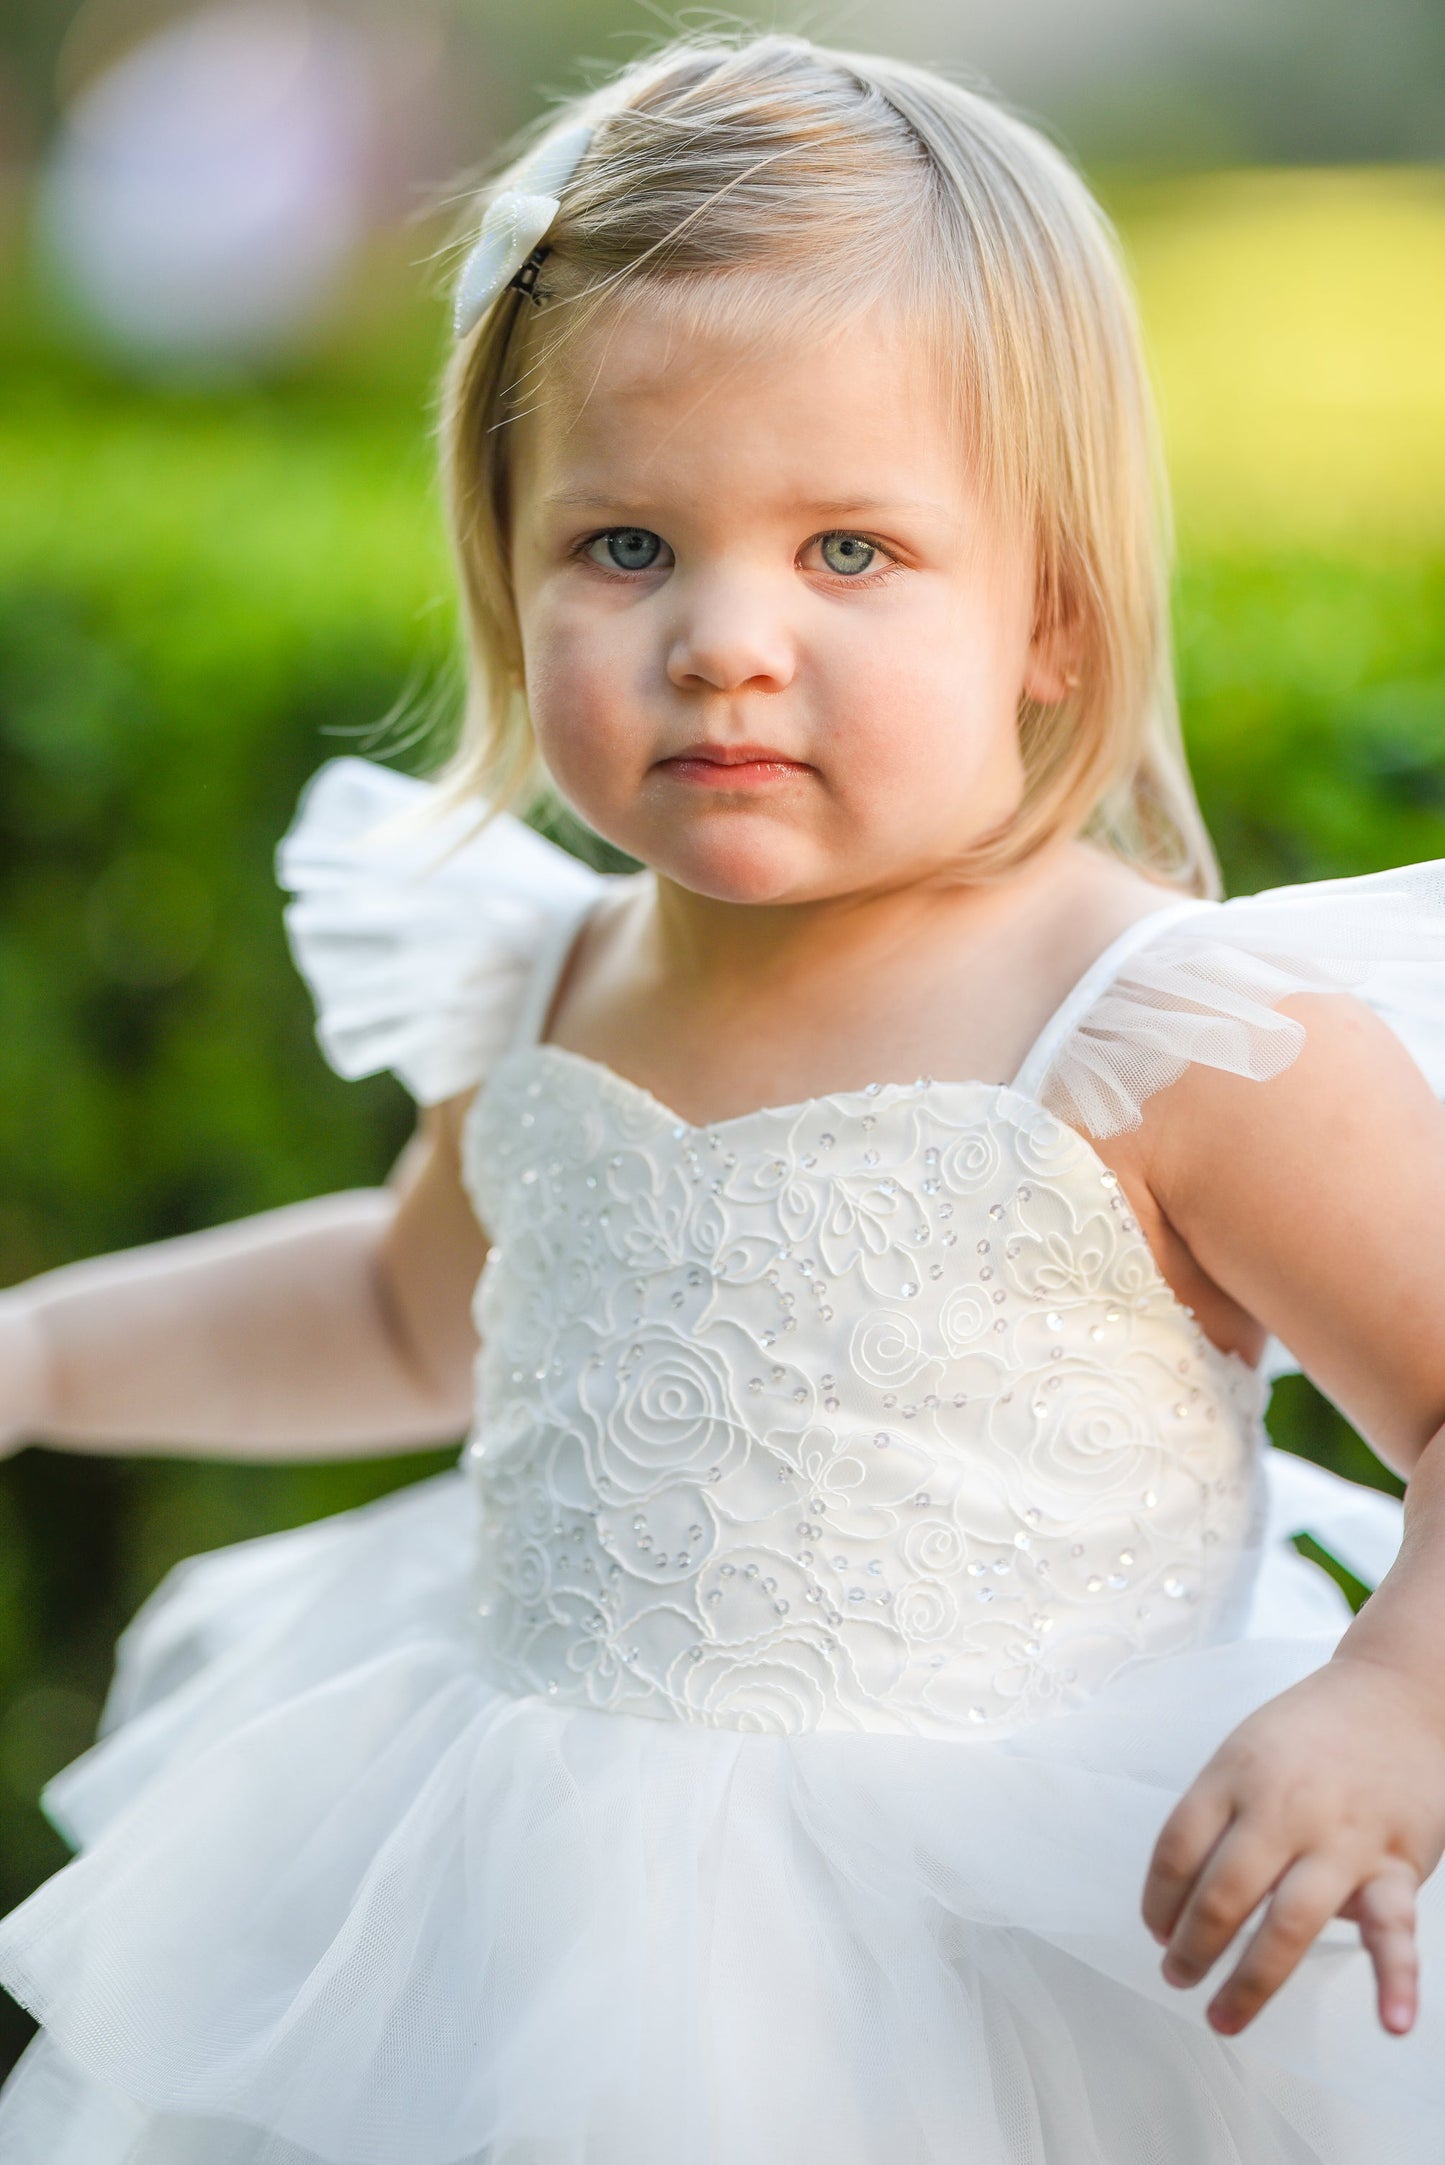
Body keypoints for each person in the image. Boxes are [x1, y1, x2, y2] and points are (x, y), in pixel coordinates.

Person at [0, 29, 1442, 2163]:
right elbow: (411, 1316)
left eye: (850, 551)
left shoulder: (1161, 1027)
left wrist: (1399, 1697)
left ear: (1050, 607)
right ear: (505, 566)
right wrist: (34, 1353)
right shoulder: (556, 976)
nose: (725, 642)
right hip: (533, 1907)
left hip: (1009, 1963)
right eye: (625, 546)